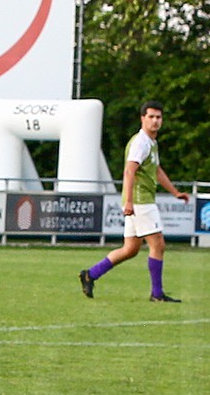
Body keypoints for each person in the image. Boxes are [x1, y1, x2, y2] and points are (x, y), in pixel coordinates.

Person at [79, 101, 190, 302]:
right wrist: (129, 201)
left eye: (158, 117)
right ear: (143, 119)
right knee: (158, 245)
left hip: (140, 200)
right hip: (140, 201)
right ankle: (157, 294)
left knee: (130, 249)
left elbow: (155, 170)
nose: (155, 121)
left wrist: (175, 192)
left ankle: (90, 274)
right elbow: (130, 171)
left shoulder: (151, 142)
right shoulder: (141, 142)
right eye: (151, 117)